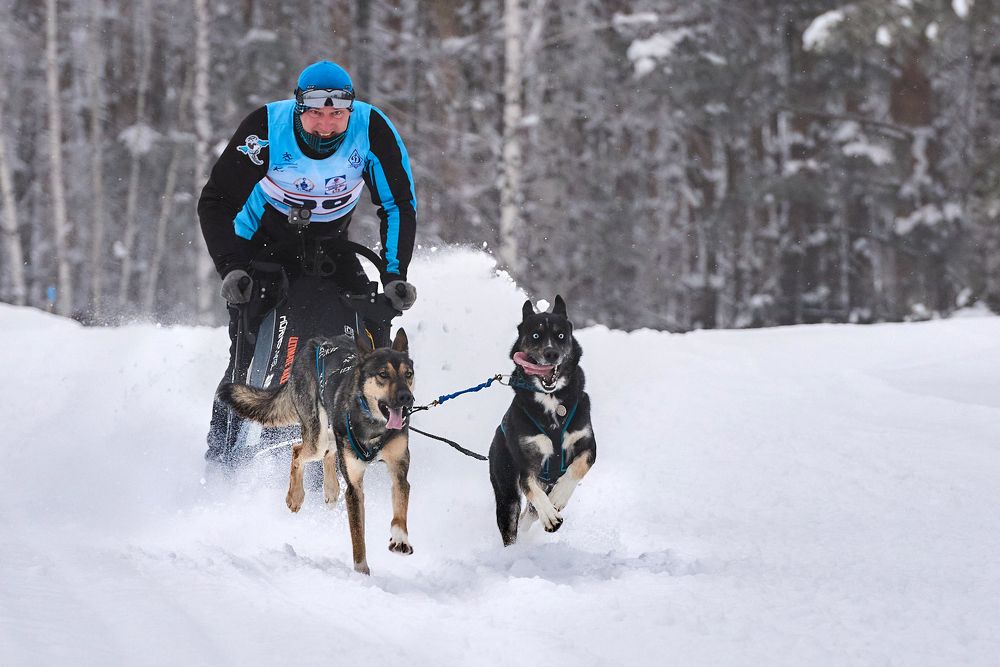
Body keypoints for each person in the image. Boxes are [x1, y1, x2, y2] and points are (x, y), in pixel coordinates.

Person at [198, 60, 417, 466]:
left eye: (337, 115)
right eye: (316, 113)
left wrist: (394, 275)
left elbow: (397, 204)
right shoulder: (265, 129)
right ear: (299, 108)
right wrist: (230, 266)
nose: (326, 125)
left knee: (365, 346)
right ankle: (222, 462)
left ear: (350, 112)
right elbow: (214, 202)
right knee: (249, 360)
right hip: (261, 248)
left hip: (331, 248)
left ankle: (364, 451)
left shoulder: (372, 129)